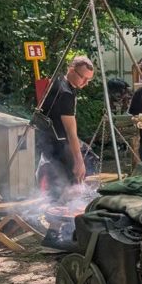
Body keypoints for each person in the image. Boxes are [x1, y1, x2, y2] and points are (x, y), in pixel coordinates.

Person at [35, 55, 94, 199]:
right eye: (83, 77)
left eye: (89, 80)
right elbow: (70, 132)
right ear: (72, 70)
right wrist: (79, 162)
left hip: (46, 142)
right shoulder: (66, 94)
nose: (85, 83)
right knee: (66, 185)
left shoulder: (57, 81)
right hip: (57, 146)